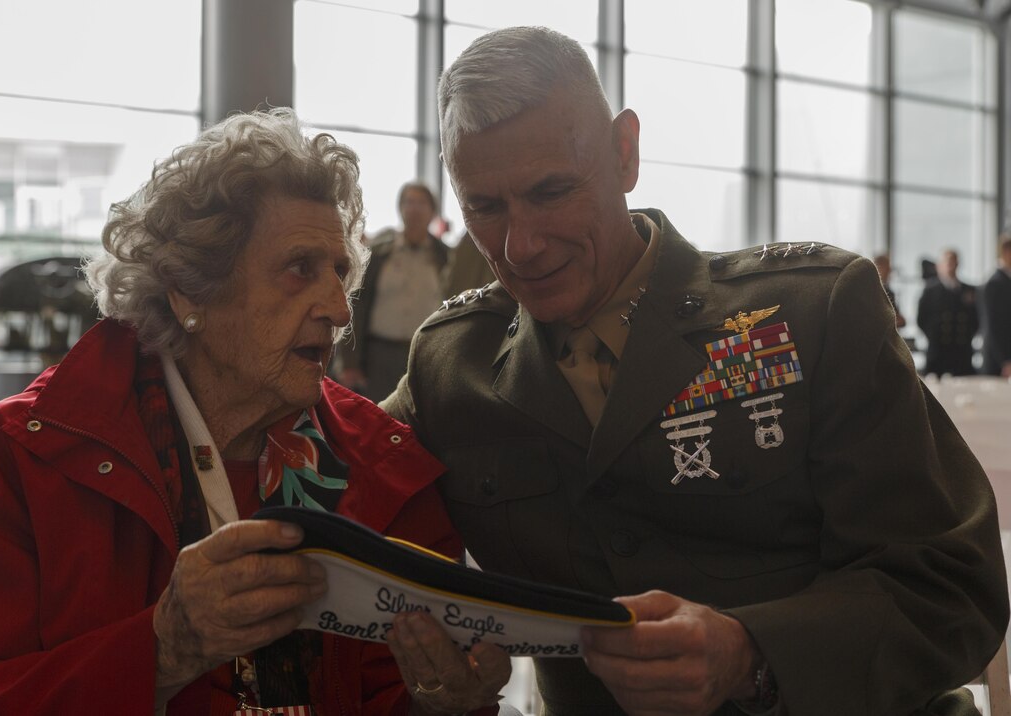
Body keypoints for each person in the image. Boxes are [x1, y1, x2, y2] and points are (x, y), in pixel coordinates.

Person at [382, 26, 1008, 716]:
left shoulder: (812, 314)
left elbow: (954, 589)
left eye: (552, 191)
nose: (519, 244)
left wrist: (753, 653)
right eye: (485, 206)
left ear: (625, 154)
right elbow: (316, 474)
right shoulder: (451, 367)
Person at [0, 108, 508, 715]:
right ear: (190, 291)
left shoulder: (387, 471)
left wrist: (443, 702)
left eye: (339, 272)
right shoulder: (26, 456)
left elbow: (395, 692)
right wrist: (161, 652)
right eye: (299, 270)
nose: (339, 308)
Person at [337, 181, 449, 402]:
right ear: (400, 208)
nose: (414, 209)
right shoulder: (379, 253)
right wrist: (350, 362)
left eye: (421, 203)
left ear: (433, 210)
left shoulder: (444, 256)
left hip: (424, 355)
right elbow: (356, 305)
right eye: (409, 202)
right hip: (379, 355)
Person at [917, 248, 980, 376]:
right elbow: (921, 319)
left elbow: (976, 318)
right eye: (947, 262)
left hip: (962, 352)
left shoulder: (969, 290)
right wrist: (933, 337)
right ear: (939, 266)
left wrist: (967, 337)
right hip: (938, 352)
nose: (950, 266)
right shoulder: (930, 291)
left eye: (953, 262)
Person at [980, 234, 1011, 377]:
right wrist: (1005, 361)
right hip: (1000, 362)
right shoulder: (994, 284)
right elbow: (992, 325)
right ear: (1006, 252)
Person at [873, 253, 906, 328]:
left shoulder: (888, 291)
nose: (889, 271)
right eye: (887, 268)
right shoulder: (877, 292)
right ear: (878, 268)